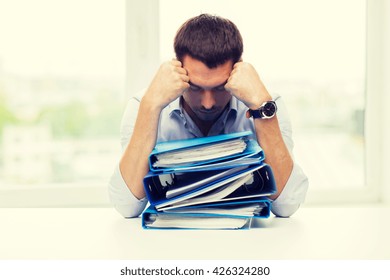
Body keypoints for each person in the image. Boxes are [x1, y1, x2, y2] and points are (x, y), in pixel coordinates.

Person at [108, 14, 308, 218]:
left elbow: (287, 206)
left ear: (238, 71)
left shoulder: (266, 105)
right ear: (177, 70)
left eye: (220, 88)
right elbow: (126, 206)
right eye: (194, 87)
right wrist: (150, 107)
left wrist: (261, 108)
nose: (208, 103)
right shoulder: (145, 105)